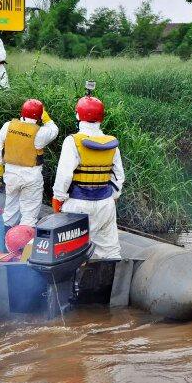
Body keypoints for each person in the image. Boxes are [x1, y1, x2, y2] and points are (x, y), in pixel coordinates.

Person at [52, 94, 125, 260]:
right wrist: (112, 196)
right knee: (110, 250)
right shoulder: (111, 143)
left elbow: (64, 176)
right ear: (101, 118)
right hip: (106, 204)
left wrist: (59, 199)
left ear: (78, 116)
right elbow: (119, 176)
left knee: (73, 251)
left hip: (77, 205)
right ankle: (110, 282)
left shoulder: (72, 141)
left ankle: (75, 284)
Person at [0, 99, 59, 227]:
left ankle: (4, 240)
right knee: (29, 216)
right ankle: (24, 245)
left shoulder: (8, 126)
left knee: (9, 213)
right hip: (31, 177)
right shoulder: (40, 132)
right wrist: (46, 119)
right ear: (39, 116)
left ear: (22, 112)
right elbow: (54, 130)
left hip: (11, 174)